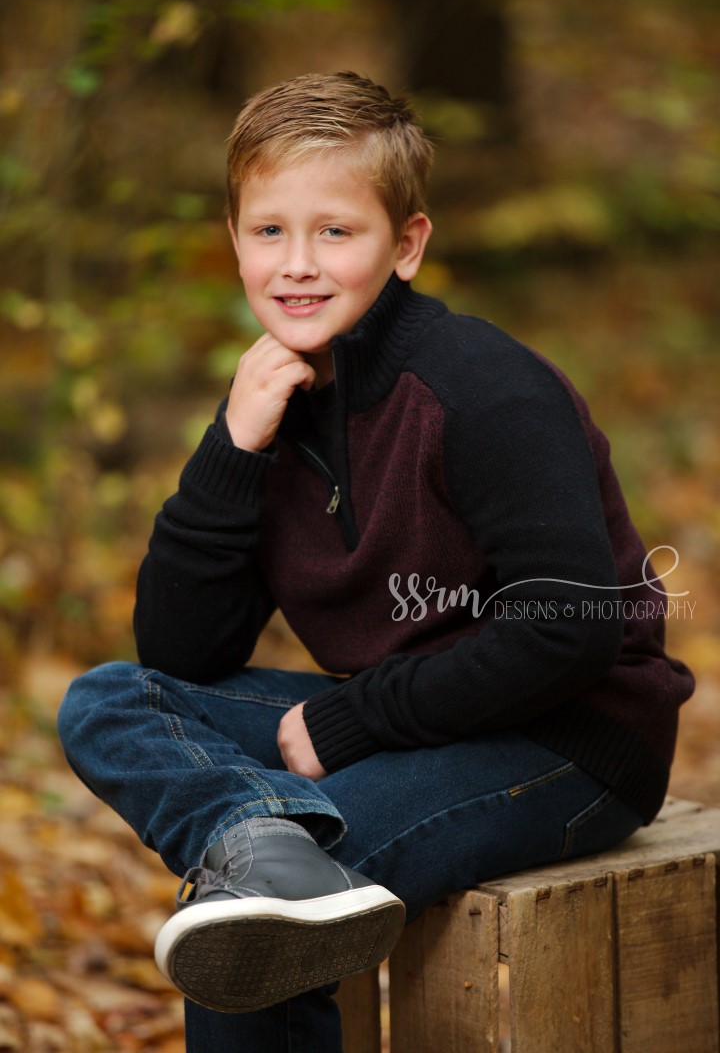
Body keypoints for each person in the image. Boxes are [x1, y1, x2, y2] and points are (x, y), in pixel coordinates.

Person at [58, 71, 694, 1052]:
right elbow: (180, 653)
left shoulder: (484, 389)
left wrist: (353, 720)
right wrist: (232, 449)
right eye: (269, 231)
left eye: (336, 232)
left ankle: (268, 863)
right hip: (415, 726)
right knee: (109, 701)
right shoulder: (270, 405)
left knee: (257, 913)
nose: (297, 265)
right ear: (234, 239)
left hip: (568, 742)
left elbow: (570, 632)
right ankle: (261, 842)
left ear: (406, 245)